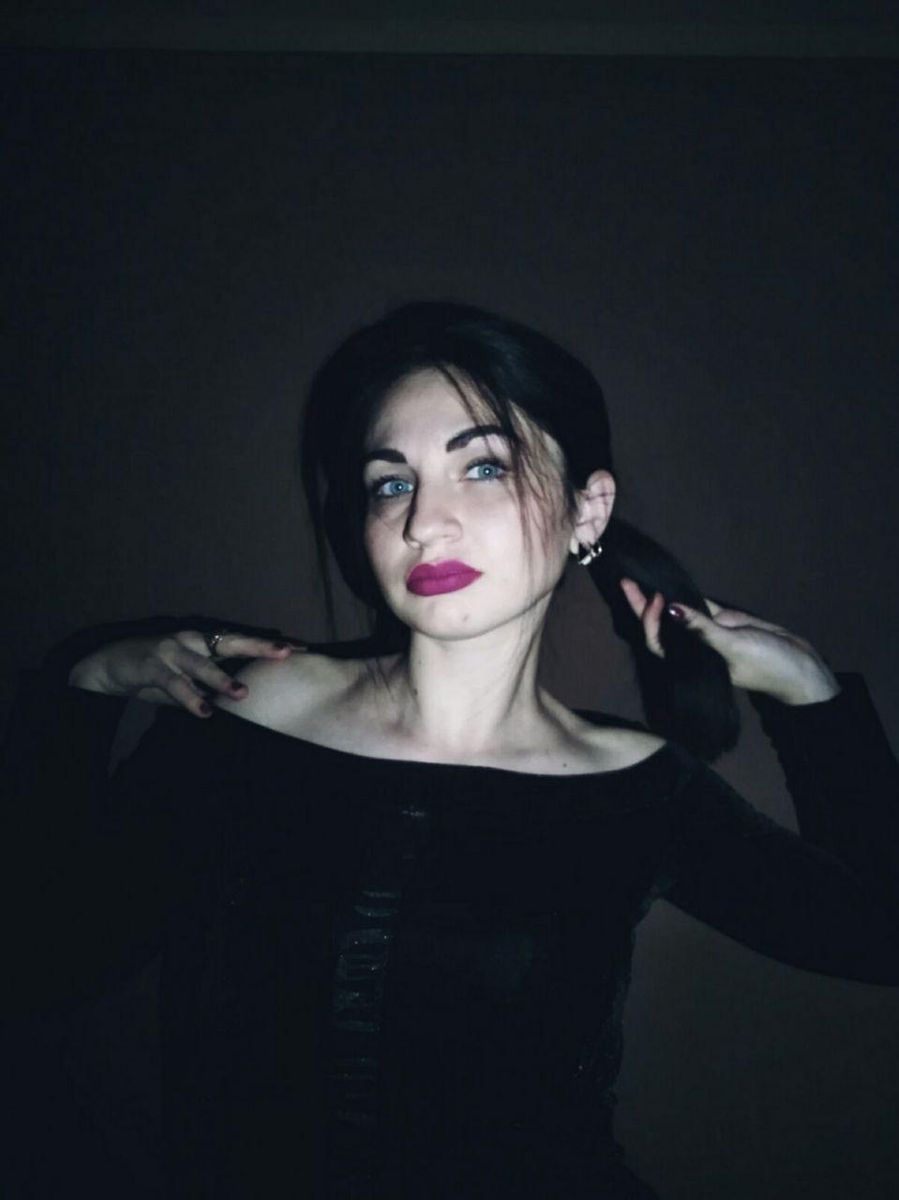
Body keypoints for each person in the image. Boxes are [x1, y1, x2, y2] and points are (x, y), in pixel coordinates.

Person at [5, 301, 899, 1199]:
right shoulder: (241, 715)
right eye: (391, 483)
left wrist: (810, 697)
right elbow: (45, 963)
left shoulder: (636, 789)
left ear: (587, 509)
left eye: (482, 467)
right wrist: (82, 690)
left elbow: (875, 937)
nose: (424, 523)